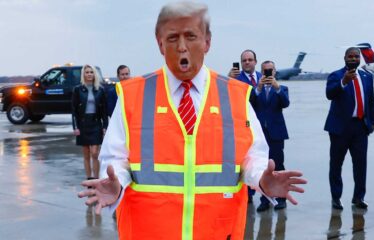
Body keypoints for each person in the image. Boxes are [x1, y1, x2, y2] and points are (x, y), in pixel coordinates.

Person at [78, 2, 306, 239]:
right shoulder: (133, 95)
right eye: (173, 38)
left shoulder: (235, 95)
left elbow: (251, 156)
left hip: (217, 231)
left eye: (191, 36)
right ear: (160, 44)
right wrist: (114, 183)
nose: (182, 47)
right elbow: (115, 159)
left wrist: (261, 179)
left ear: (207, 42)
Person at [324, 47, 374, 210]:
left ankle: (358, 197)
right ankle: (336, 198)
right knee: (336, 165)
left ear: (360, 59)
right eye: (350, 56)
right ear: (345, 58)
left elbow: (371, 100)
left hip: (360, 127)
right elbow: (329, 94)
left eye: (356, 56)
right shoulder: (336, 75)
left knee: (361, 165)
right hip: (340, 128)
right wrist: (344, 82)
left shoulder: (367, 76)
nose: (354, 59)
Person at [250, 60, 290, 212]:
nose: (268, 73)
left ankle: (281, 198)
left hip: (276, 133)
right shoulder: (256, 90)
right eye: (265, 70)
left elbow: (285, 103)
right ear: (261, 72)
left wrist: (277, 87)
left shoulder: (282, 88)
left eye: (270, 70)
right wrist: (258, 88)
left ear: (274, 72)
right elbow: (250, 104)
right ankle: (265, 199)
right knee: (261, 167)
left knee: (278, 166)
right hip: (260, 134)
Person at [229, 49, 263, 203]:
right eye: (244, 60)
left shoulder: (265, 78)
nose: (247, 62)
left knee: (267, 161)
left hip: (265, 126)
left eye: (250, 60)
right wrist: (229, 80)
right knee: (244, 162)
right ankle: (247, 197)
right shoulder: (235, 79)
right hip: (244, 127)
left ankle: (267, 196)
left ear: (255, 62)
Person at [72, 64, 108, 181]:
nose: (89, 74)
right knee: (86, 154)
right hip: (83, 124)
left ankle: (96, 178)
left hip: (96, 123)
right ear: (83, 74)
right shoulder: (78, 90)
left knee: (95, 153)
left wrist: (105, 126)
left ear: (94, 74)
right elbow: (74, 110)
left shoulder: (100, 90)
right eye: (87, 72)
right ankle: (89, 178)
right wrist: (75, 127)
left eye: (91, 72)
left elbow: (104, 111)